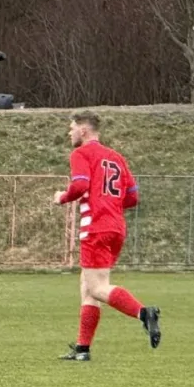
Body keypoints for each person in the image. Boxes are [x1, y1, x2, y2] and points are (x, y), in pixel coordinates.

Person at [53, 113, 159, 361]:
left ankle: (145, 313)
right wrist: (109, 203)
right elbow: (132, 197)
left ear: (83, 130)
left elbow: (80, 186)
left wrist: (62, 197)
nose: (69, 133)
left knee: (97, 287)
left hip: (96, 227)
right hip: (116, 227)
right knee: (88, 285)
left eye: (72, 128)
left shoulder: (81, 154)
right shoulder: (116, 157)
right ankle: (82, 349)